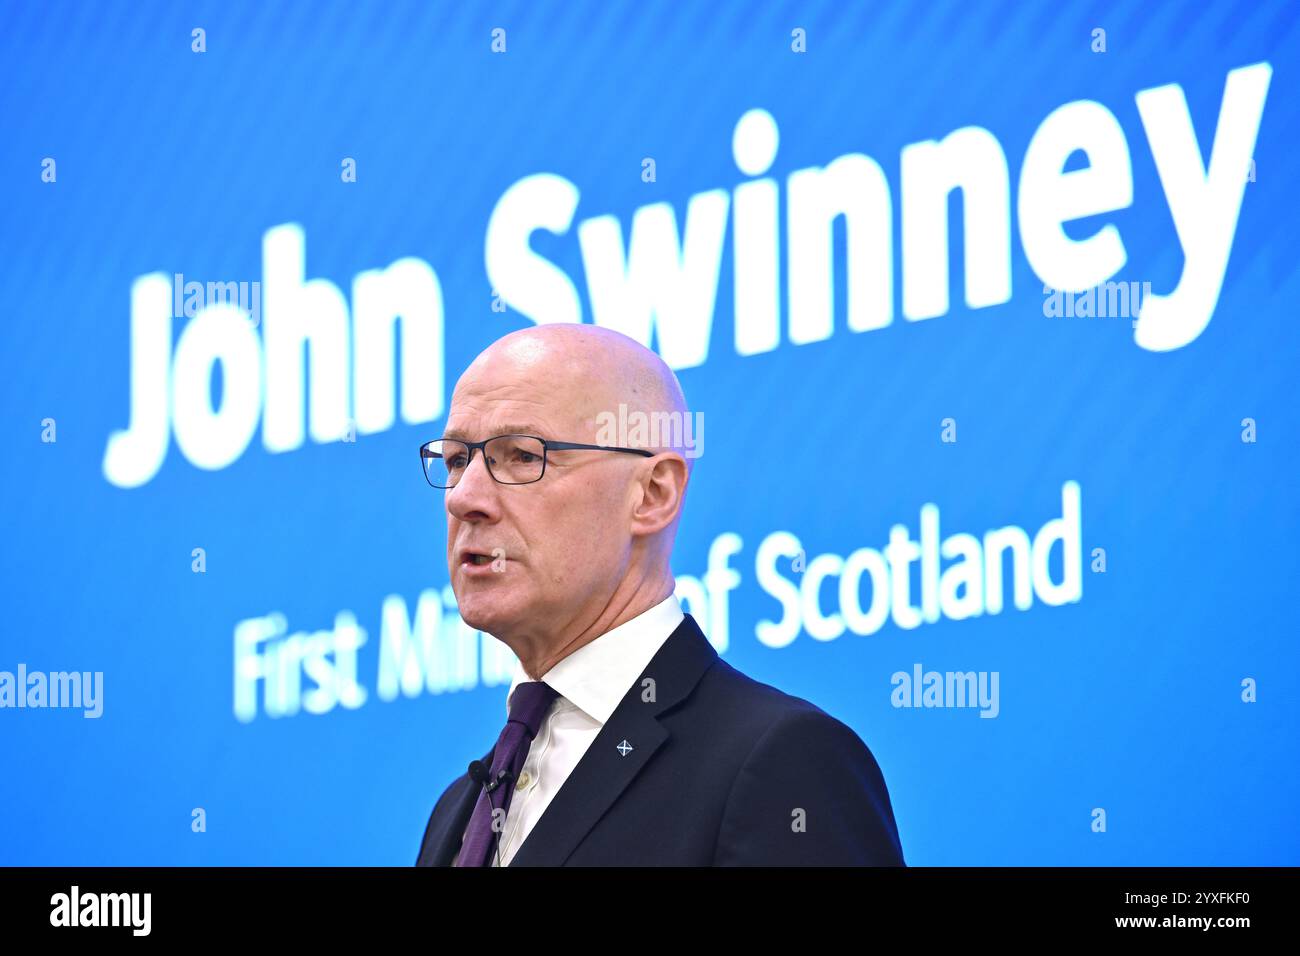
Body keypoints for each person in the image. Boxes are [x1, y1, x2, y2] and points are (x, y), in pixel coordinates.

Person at [414, 323, 904, 866]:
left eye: (524, 456)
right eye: (457, 460)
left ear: (652, 494)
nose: (465, 498)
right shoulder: (455, 812)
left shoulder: (782, 761)